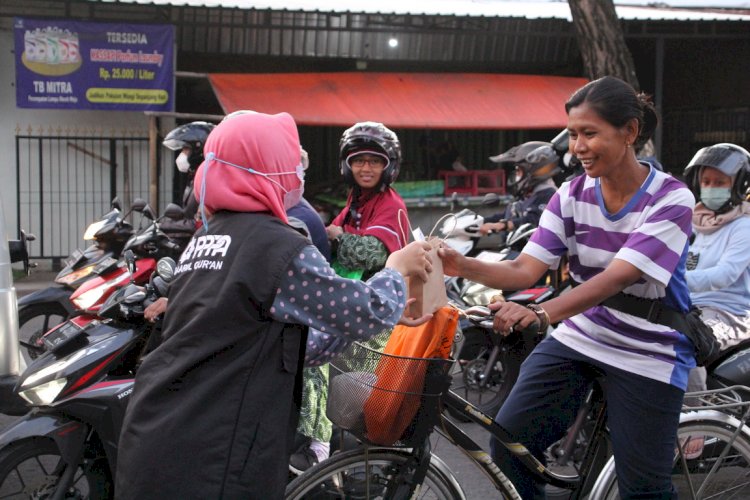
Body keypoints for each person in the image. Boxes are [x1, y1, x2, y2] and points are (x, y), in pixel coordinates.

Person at [115, 111, 433, 500]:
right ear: (267, 171)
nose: (297, 176)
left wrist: (357, 318)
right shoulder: (278, 247)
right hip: (218, 451)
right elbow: (371, 310)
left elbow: (285, 345)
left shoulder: (210, 237)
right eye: (288, 166)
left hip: (166, 432)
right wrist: (396, 271)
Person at [439, 75, 696, 498]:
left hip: (649, 349)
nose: (578, 147)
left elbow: (618, 275)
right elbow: (525, 269)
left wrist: (541, 313)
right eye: (573, 134)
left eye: (590, 133)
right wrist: (457, 263)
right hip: (585, 335)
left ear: (630, 131)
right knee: (511, 444)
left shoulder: (671, 199)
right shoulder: (570, 195)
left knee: (643, 488)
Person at [290, 121, 409, 473]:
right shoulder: (357, 202)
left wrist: (338, 236)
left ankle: (318, 446)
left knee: (315, 355)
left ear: (389, 166)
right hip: (357, 306)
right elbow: (326, 238)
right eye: (359, 161)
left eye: (375, 161)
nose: (366, 168)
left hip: (382, 315)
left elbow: (370, 253)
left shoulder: (390, 204)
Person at [682, 143, 750, 457]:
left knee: (685, 340)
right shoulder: (697, 222)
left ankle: (691, 428)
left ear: (739, 185)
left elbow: (725, 274)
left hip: (729, 313)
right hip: (690, 305)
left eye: (720, 182)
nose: (710, 189)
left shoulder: (743, 225)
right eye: (706, 182)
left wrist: (673, 279)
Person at [479, 141, 560, 236]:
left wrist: (503, 225)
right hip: (512, 248)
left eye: (518, 170)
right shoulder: (526, 195)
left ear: (532, 170)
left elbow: (534, 220)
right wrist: (480, 221)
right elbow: (507, 215)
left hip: (533, 249)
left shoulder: (549, 194)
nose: (516, 175)